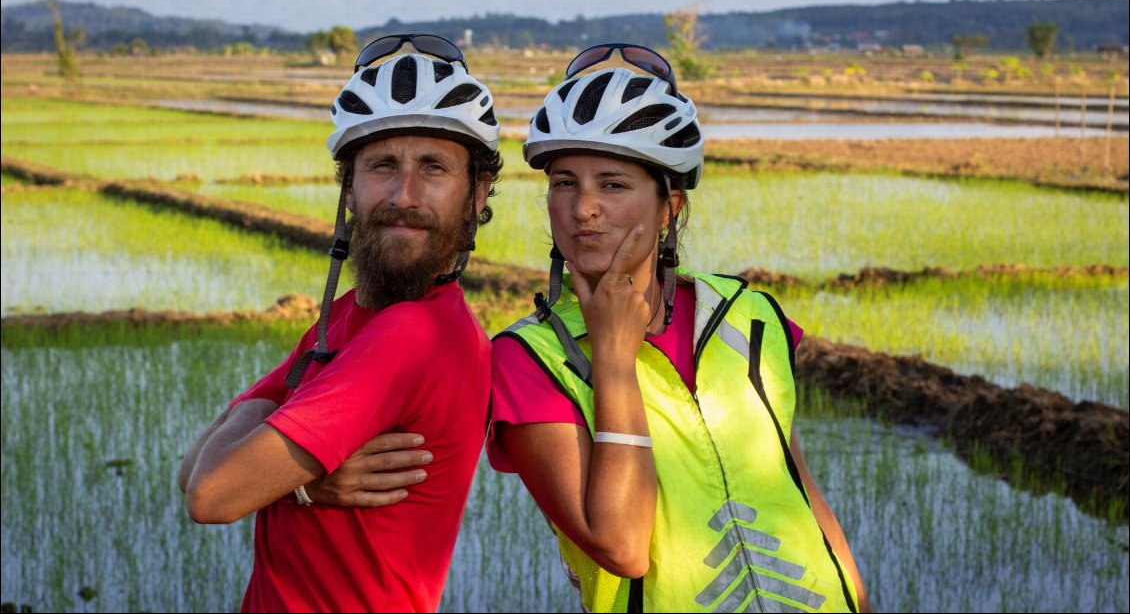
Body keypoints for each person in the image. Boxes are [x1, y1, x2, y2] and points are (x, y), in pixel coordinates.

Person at [487, 43, 872, 612]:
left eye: (612, 184)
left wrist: (859, 601)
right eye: (564, 183)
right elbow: (621, 546)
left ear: (669, 205)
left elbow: (796, 483)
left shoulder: (748, 315)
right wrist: (615, 360)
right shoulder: (530, 359)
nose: (582, 208)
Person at [178, 33, 503, 613]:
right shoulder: (345, 319)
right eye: (382, 165)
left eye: (433, 168)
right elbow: (194, 468)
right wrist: (303, 480)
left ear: (477, 194)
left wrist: (281, 474)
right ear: (348, 187)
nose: (405, 194)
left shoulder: (413, 336)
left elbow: (211, 492)